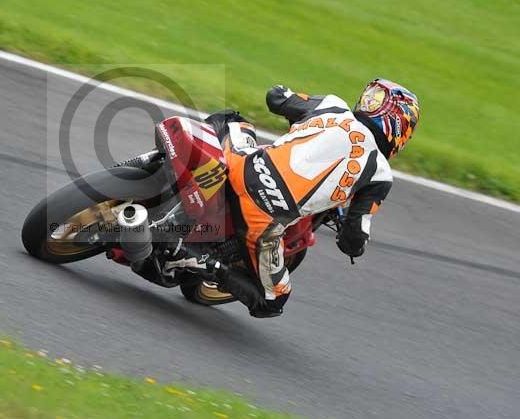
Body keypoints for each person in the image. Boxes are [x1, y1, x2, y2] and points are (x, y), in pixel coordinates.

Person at [180, 79, 420, 318]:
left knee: (232, 120)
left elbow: (276, 97)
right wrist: (355, 248)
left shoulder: (333, 106)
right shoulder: (379, 172)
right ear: (402, 130)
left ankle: (174, 175)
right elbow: (353, 237)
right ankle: (200, 262)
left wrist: (298, 114)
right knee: (272, 301)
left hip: (243, 164)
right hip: (263, 215)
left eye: (373, 98)